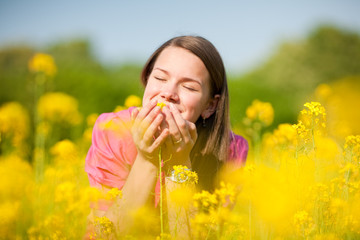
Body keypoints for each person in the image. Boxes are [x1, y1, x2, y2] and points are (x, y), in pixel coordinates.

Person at [84, 35, 248, 237]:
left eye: (189, 87)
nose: (168, 93)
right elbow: (107, 235)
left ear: (210, 105)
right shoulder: (113, 130)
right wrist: (147, 158)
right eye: (160, 78)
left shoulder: (230, 150)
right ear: (146, 80)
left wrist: (179, 164)